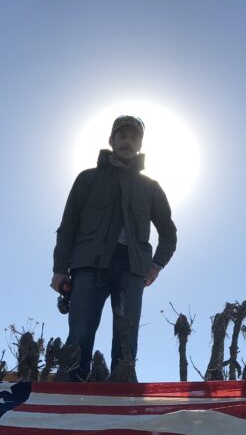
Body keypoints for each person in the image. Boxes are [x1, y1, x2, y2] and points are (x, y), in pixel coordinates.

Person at [51, 115, 177, 380]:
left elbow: (169, 233)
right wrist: (60, 269)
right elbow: (68, 225)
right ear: (112, 140)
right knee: (79, 336)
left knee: (126, 341)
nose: (127, 142)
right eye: (122, 136)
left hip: (131, 270)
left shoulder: (150, 187)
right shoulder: (87, 179)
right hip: (89, 266)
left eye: (133, 138)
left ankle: (122, 404)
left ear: (140, 145)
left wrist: (156, 265)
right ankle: (70, 400)